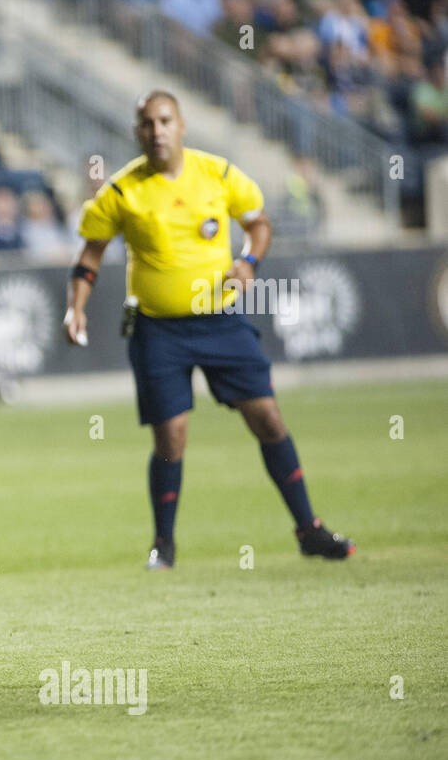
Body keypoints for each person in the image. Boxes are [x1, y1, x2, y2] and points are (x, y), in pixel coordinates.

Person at [63, 91, 354, 569]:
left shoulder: (218, 174)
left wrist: (248, 262)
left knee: (268, 419)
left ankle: (309, 530)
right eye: (147, 123)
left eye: (164, 120)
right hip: (158, 330)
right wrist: (76, 309)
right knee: (171, 435)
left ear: (181, 125)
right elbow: (89, 255)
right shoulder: (121, 191)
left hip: (222, 321)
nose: (156, 130)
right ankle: (165, 545)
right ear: (137, 132)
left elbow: (258, 224)